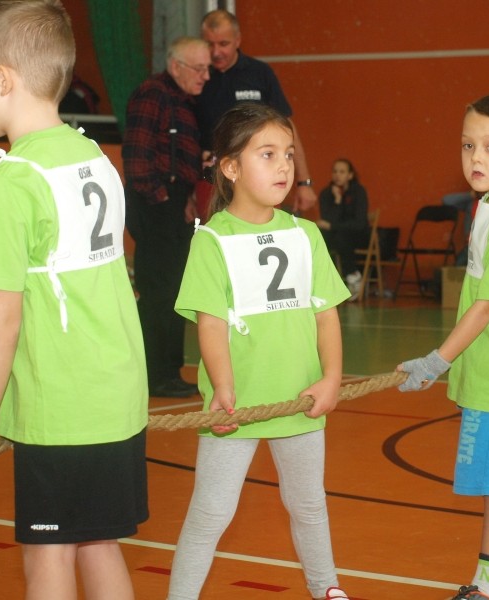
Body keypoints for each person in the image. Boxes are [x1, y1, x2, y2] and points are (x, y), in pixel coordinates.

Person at [0, 3, 149, 599]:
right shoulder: (94, 156)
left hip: (63, 406)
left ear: (4, 79)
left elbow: (2, 324)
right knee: (99, 543)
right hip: (117, 394)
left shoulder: (11, 183)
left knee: (48, 556)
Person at [168, 103, 352, 600]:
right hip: (236, 408)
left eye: (288, 154)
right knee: (210, 513)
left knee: (309, 505)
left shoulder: (305, 234)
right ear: (230, 167)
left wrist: (331, 377)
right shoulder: (212, 241)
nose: (284, 166)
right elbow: (210, 324)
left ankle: (326, 588)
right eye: (267, 154)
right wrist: (223, 388)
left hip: (300, 400)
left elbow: (326, 314)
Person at [397, 94, 489, 600]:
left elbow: (485, 308)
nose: (476, 158)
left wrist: (436, 361)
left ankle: (488, 585)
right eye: (468, 146)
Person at [122, 36, 210, 398]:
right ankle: (156, 374)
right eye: (199, 68)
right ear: (176, 66)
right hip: (155, 204)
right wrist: (162, 200)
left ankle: (167, 372)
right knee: (160, 291)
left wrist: (185, 198)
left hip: (173, 203)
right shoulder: (153, 94)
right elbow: (137, 157)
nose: (206, 75)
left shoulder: (184, 103)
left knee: (174, 289)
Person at [195, 9, 316, 218]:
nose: (216, 52)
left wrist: (304, 182)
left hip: (260, 179)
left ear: (238, 40)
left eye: (223, 44)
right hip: (211, 180)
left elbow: (287, 128)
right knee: (215, 234)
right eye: (209, 44)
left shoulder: (259, 73)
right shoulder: (197, 76)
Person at [316, 158, 371, 296]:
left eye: (342, 172)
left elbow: (359, 223)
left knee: (342, 236)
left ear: (350, 175)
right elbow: (326, 221)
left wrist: (333, 226)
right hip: (335, 235)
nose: (337, 175)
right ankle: (325, 280)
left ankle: (353, 275)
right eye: (335, 171)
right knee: (318, 236)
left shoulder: (358, 192)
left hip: (358, 235)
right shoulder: (326, 193)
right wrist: (337, 200)